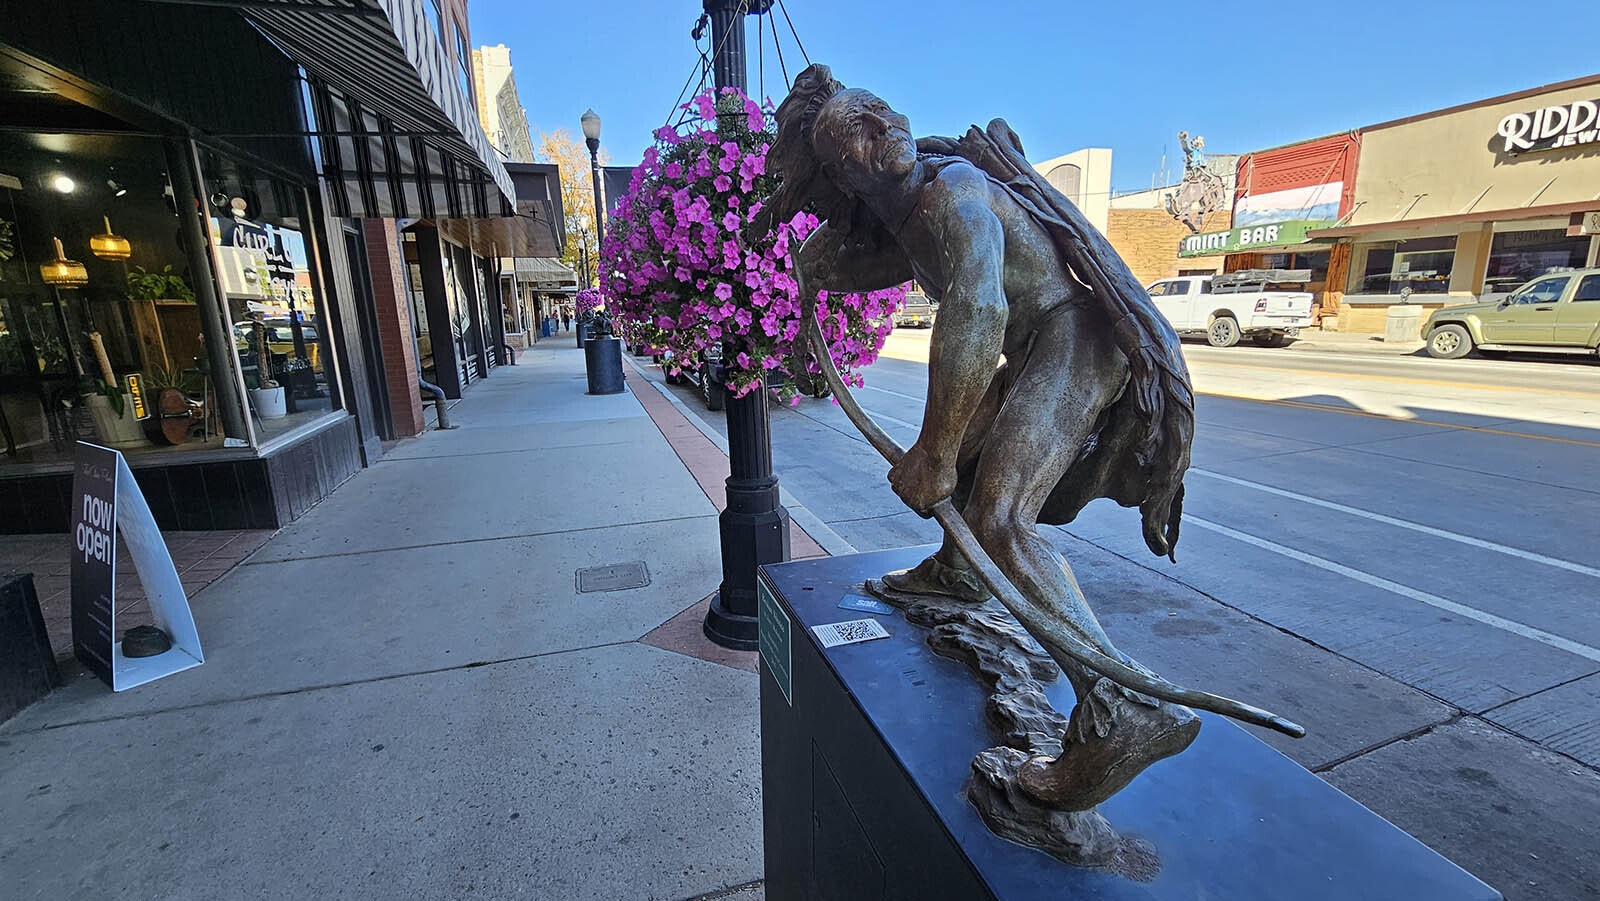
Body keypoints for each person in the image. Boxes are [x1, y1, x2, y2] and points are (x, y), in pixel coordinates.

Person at [757, 65, 1199, 811]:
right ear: (845, 179)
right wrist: (807, 275)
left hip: (1073, 341)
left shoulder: (952, 191)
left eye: (877, 111)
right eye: (854, 140)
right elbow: (854, 265)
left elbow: (977, 311)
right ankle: (960, 573)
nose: (880, 129)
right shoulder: (904, 215)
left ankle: (1121, 710)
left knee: (996, 512)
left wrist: (933, 449)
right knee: (965, 471)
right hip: (1033, 348)